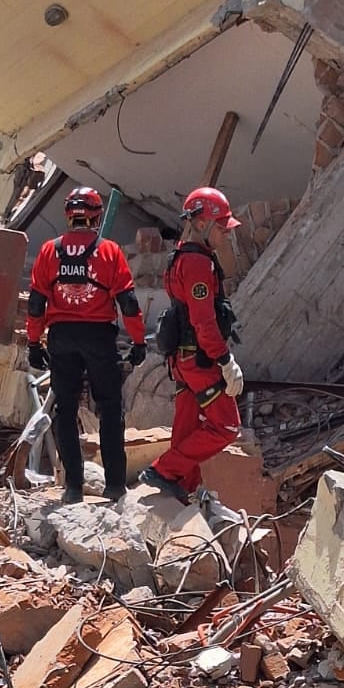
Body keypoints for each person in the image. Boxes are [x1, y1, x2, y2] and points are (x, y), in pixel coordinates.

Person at [26, 186, 146, 505]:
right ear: (96, 215)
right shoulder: (109, 251)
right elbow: (129, 303)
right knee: (109, 408)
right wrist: (137, 341)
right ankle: (115, 486)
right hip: (98, 337)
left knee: (65, 411)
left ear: (69, 214)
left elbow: (36, 303)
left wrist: (33, 342)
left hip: (61, 336)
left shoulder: (49, 251)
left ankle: (73, 488)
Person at [141, 186, 243, 506]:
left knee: (186, 429)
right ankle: (163, 470)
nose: (226, 234)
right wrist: (225, 361)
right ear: (202, 224)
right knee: (227, 426)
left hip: (183, 360)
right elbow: (204, 322)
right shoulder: (198, 264)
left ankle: (184, 488)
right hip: (199, 359)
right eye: (221, 227)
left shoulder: (181, 257)